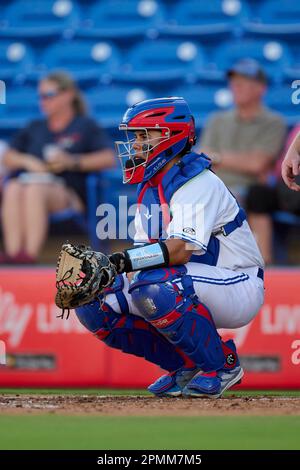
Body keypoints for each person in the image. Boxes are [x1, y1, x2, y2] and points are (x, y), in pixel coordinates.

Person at [73, 97, 265, 398]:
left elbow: (178, 251)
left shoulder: (198, 182)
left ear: (169, 136)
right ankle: (186, 367)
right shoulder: (150, 186)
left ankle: (221, 365)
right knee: (94, 301)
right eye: (134, 137)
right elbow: (142, 259)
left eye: (143, 136)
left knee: (157, 284)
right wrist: (109, 273)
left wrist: (118, 261)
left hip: (238, 281)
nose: (135, 145)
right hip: (194, 280)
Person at [1, 71, 115, 264]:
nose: (43, 101)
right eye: (40, 96)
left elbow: (108, 158)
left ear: (68, 95)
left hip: (69, 193)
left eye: (49, 95)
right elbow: (9, 156)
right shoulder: (35, 126)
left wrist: (71, 161)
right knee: (13, 187)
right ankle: (14, 255)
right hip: (32, 184)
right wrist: (27, 162)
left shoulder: (85, 125)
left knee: (33, 190)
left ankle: (28, 255)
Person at [199, 58, 286, 264]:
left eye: (244, 81)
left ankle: (263, 266)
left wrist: (218, 157)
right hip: (215, 188)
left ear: (261, 88)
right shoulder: (217, 119)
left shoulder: (273, 121)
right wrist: (243, 161)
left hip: (248, 191)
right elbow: (202, 157)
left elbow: (258, 164)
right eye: (234, 81)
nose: (236, 86)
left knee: (256, 196)